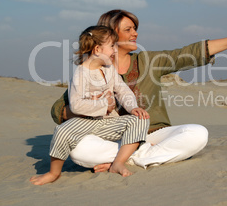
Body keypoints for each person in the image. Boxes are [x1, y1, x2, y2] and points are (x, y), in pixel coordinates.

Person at [50, 9, 227, 172]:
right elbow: (59, 109)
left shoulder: (149, 60)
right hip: (113, 139)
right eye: (128, 29)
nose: (135, 33)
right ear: (110, 35)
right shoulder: (93, 69)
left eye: (135, 28)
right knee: (78, 150)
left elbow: (188, 53)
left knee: (197, 134)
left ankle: (124, 160)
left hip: (154, 135)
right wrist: (93, 107)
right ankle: (131, 158)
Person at [30, 25, 150, 185]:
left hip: (108, 121)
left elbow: (122, 90)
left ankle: (118, 162)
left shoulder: (109, 69)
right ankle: (53, 173)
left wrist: (132, 107)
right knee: (62, 131)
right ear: (97, 49)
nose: (115, 50)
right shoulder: (81, 74)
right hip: (85, 121)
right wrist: (103, 105)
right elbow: (76, 106)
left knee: (140, 119)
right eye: (112, 46)